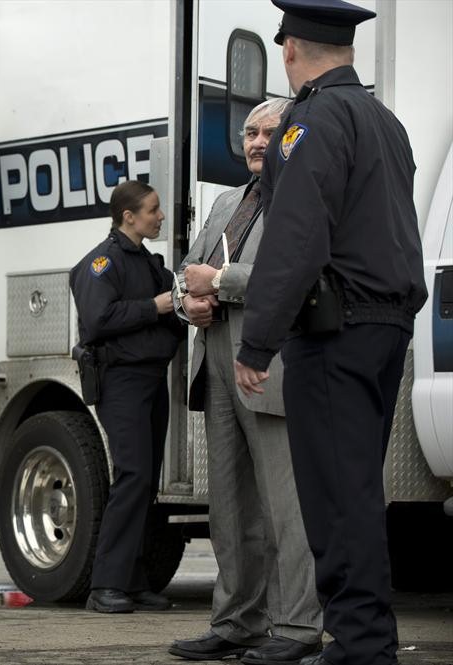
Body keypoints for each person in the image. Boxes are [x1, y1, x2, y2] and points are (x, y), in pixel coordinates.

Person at [234, 2, 427, 664]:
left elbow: (295, 237)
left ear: (290, 50)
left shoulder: (309, 121)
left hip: (336, 331)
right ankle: (360, 636)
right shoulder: (386, 122)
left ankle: (361, 644)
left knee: (335, 496)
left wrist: (256, 340)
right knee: (356, 488)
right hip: (384, 327)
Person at [168, 98, 323, 664]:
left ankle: (298, 628)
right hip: (214, 362)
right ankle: (236, 622)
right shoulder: (226, 202)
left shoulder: (301, 196)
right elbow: (188, 270)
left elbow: (300, 276)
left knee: (286, 507)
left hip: (271, 366)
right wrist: (191, 303)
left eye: (269, 131)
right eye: (250, 132)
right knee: (229, 509)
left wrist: (222, 282)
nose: (257, 142)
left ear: (290, 138)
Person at [69, 181, 183, 614]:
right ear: (128, 216)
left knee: (145, 483)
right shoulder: (103, 262)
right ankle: (105, 586)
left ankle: (133, 581)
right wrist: (154, 308)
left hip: (151, 379)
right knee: (133, 475)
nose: (160, 216)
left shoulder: (150, 264)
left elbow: (174, 304)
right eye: (153, 210)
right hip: (121, 382)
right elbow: (98, 319)